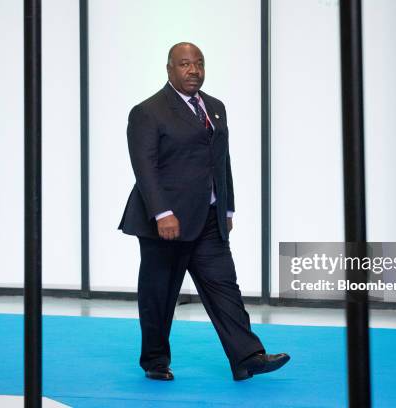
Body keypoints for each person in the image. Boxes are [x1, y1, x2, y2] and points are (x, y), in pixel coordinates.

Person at [118, 42, 290, 381]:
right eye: (184, 64)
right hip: (167, 222)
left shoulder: (215, 108)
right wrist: (162, 213)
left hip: (209, 219)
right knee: (160, 295)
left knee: (224, 285)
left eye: (199, 63)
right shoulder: (148, 111)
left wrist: (226, 206)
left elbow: (221, 161)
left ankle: (247, 357)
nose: (193, 70)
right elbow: (144, 168)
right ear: (170, 69)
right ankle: (154, 361)